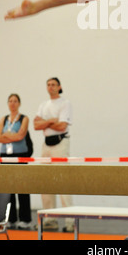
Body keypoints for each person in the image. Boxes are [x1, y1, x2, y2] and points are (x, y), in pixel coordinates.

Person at [34, 77, 73, 232]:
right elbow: (36, 125)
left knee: (63, 182)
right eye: (48, 85)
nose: (50, 87)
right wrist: (51, 120)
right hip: (46, 144)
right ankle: (50, 219)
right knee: (46, 181)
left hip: (61, 143)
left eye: (53, 85)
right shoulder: (43, 105)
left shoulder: (65, 103)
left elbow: (62, 126)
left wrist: (45, 122)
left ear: (59, 87)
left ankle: (71, 221)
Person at [0, 93, 32, 229]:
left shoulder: (24, 118)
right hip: (5, 155)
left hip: (20, 155)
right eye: (10, 101)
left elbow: (21, 135)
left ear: (19, 103)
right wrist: (11, 135)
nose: (12, 103)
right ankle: (10, 219)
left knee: (22, 188)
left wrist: (6, 135)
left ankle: (25, 219)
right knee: (7, 189)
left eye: (15, 101)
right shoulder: (4, 119)